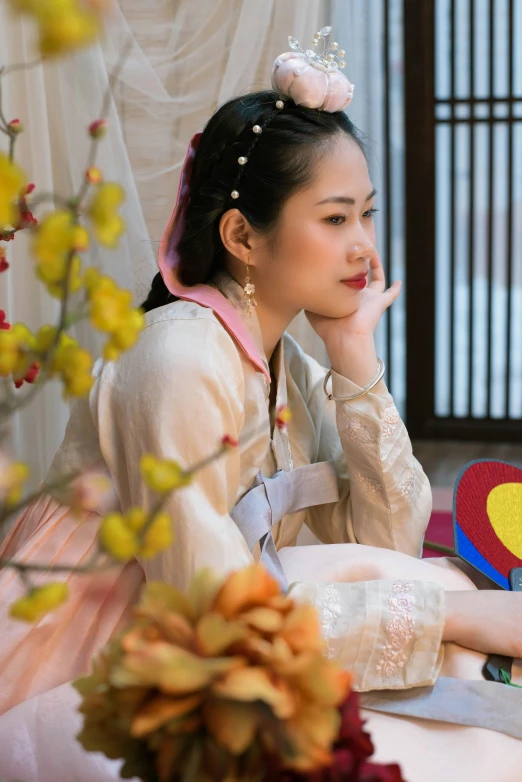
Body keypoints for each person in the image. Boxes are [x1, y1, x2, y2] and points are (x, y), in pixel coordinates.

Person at [0, 32, 521, 782]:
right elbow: (214, 615)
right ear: (242, 235)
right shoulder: (179, 358)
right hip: (112, 648)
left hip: (223, 635)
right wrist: (465, 616)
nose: (365, 250)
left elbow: (384, 540)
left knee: (443, 616)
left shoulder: (288, 359)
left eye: (366, 216)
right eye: (336, 219)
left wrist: (354, 363)